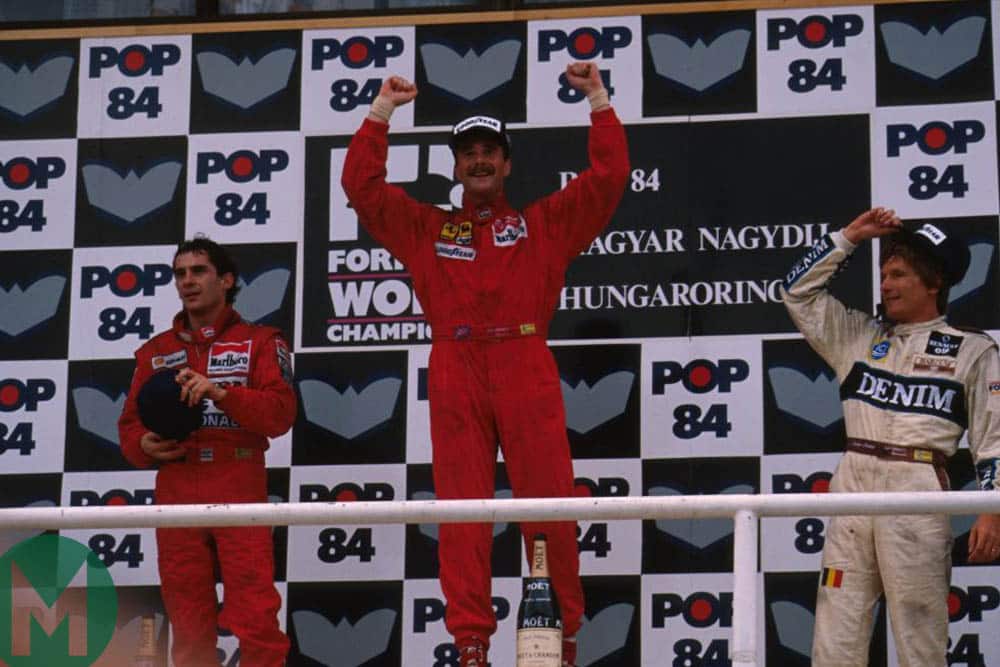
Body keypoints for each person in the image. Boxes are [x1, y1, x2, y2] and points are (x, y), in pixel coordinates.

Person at [341, 64, 629, 667]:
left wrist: (599, 99)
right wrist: (380, 112)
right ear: (455, 166)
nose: (478, 161)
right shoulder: (426, 227)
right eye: (468, 152)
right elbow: (361, 188)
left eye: (489, 152)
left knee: (549, 504)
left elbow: (608, 179)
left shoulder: (543, 224)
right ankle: (470, 644)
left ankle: (560, 640)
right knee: (462, 513)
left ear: (507, 164)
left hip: (525, 358)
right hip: (454, 361)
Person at [781, 208, 1000, 666]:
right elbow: (796, 292)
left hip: (918, 488)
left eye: (898, 274)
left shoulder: (974, 349)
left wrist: (991, 509)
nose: (885, 285)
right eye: (883, 274)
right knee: (835, 635)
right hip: (853, 489)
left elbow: (993, 437)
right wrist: (850, 237)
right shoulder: (857, 336)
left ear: (934, 282)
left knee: (920, 638)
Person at [118, 237, 295, 667]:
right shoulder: (155, 352)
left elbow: (280, 413)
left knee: (255, 616)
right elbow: (129, 428)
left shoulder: (262, 340)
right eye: (180, 273)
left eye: (198, 271)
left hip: (238, 482)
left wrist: (222, 393)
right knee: (188, 621)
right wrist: (144, 445)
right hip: (177, 486)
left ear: (227, 280)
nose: (187, 281)